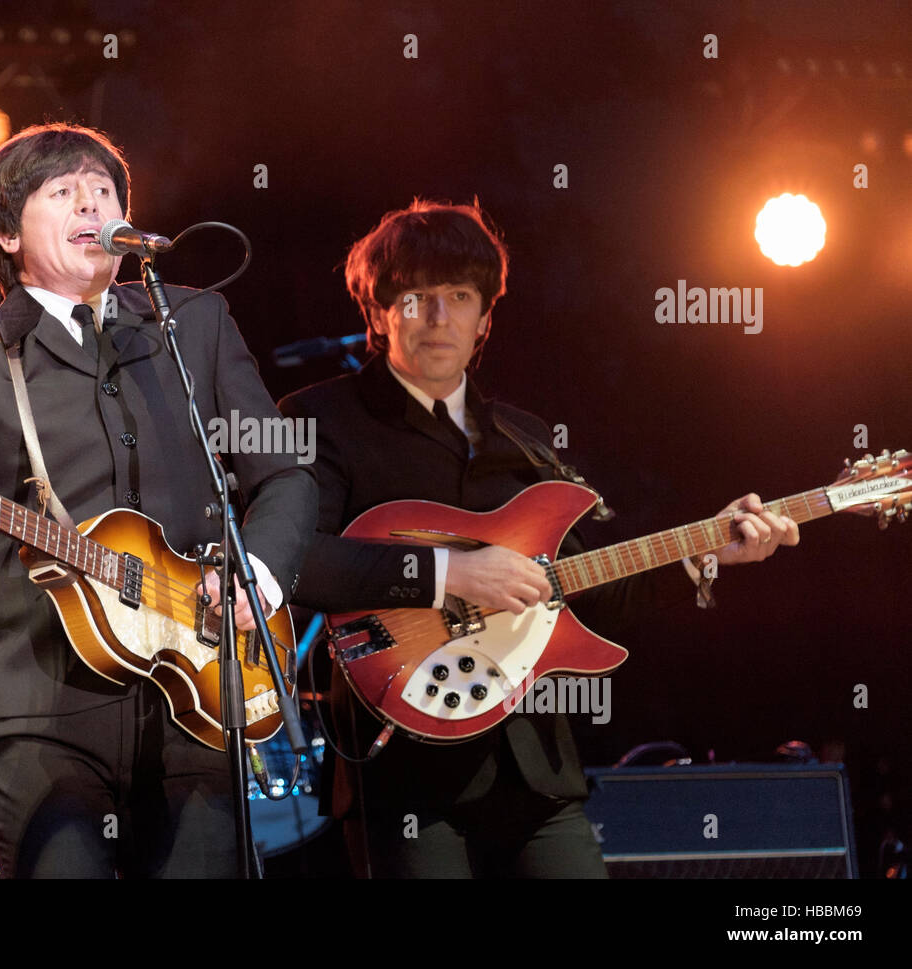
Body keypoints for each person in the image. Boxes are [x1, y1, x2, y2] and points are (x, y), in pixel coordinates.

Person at [277, 199, 798, 878]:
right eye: (416, 296)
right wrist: (451, 574)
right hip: (405, 780)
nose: (439, 318)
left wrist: (703, 554)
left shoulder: (527, 438)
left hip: (537, 774)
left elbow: (591, 591)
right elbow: (293, 560)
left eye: (459, 296)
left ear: (485, 318)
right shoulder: (318, 419)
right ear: (378, 312)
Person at [0, 123, 316, 877]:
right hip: (42, 707)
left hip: (199, 693)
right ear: (6, 233)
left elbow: (286, 471)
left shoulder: (191, 321)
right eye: (62, 192)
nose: (91, 202)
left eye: (103, 189)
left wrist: (256, 575)